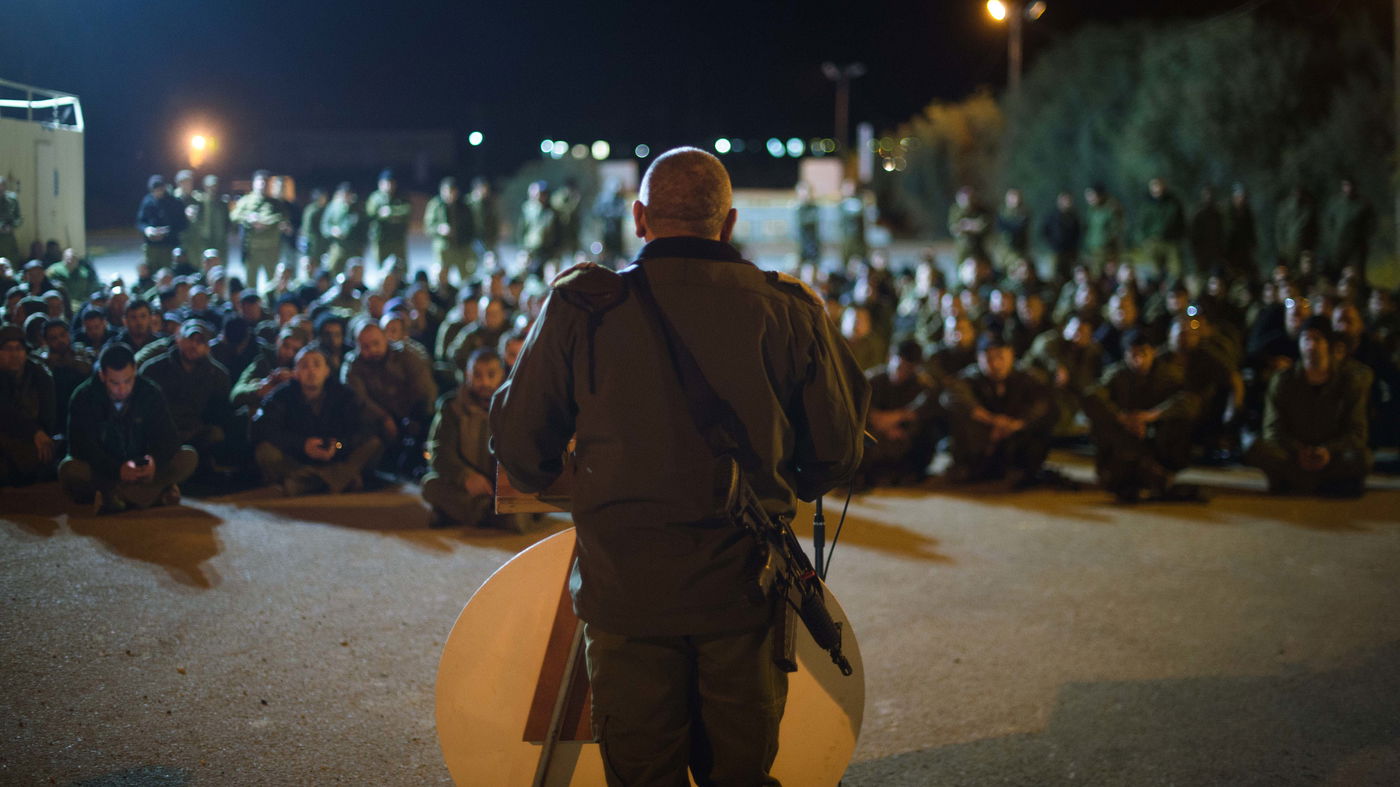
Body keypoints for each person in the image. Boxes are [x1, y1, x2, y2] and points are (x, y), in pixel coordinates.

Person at [490, 147, 869, 786]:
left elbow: (522, 450)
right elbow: (836, 454)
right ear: (728, 223)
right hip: (744, 594)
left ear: (639, 217)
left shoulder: (583, 307)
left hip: (627, 597)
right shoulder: (788, 308)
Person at [61, 343, 197, 513]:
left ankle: (115, 497)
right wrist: (118, 470)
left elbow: (169, 438)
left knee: (187, 457)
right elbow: (80, 447)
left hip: (141, 466)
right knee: (70, 469)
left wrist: (154, 461)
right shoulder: (83, 396)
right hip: (106, 468)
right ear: (102, 375)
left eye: (128, 381)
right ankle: (152, 495)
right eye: (114, 383)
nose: (122, 389)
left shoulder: (150, 392)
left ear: (134, 371)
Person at [1247, 316, 1371, 496]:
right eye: (1306, 339)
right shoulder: (1283, 380)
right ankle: (1320, 484)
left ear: (1328, 344)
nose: (1311, 346)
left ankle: (1300, 482)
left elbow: (1357, 432)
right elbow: (1272, 429)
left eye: (1317, 339)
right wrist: (1299, 450)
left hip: (1332, 454)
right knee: (1257, 449)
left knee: (1361, 458)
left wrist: (1328, 450)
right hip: (1294, 453)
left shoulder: (1348, 381)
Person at [1083, 329, 1202, 503]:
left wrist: (1152, 416)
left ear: (1153, 352)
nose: (1138, 360)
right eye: (1133, 355)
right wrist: (1122, 418)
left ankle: (1161, 471)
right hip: (1125, 437)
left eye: (1143, 354)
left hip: (1155, 436)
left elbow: (1189, 401)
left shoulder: (1169, 374)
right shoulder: (1117, 374)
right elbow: (1093, 396)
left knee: (1180, 422)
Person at [251, 345, 382, 495]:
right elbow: (263, 428)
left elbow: (364, 428)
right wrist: (302, 445)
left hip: (336, 456)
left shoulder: (344, 394)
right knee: (265, 451)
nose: (311, 371)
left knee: (373, 443)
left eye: (317, 365)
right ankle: (337, 480)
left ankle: (305, 483)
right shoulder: (280, 396)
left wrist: (338, 445)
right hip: (298, 459)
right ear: (296, 372)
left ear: (327, 371)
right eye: (304, 366)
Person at [421, 348, 528, 529]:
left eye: (491, 375)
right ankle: (489, 513)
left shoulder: (516, 405)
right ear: (467, 375)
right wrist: (465, 476)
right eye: (477, 375)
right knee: (430, 485)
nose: (484, 382)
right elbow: (439, 452)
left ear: (502, 375)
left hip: (507, 483)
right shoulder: (452, 408)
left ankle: (461, 513)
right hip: (470, 486)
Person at [941, 334, 1057, 486]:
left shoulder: (1028, 377)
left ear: (1011, 355)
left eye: (1001, 357)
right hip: (985, 438)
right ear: (979, 358)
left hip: (1016, 434)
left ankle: (1023, 470)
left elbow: (1043, 403)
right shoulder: (969, 377)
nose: (995, 364)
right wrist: (991, 420)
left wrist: (1016, 424)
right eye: (989, 359)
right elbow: (952, 397)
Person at [342, 318, 437, 477]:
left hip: (412, 414)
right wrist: (384, 418)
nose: (372, 350)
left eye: (376, 343)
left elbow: (425, 389)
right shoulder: (353, 365)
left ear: (385, 338)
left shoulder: (407, 356)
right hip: (377, 421)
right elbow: (358, 398)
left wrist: (414, 417)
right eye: (365, 347)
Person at [139, 319, 233, 474]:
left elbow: (220, 414)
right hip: (161, 432)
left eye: (200, 341)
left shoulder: (218, 375)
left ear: (207, 347)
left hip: (196, 433)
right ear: (178, 339)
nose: (194, 345)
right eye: (190, 339)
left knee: (215, 435)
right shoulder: (153, 369)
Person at [859, 339, 943, 487]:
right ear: (890, 358)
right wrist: (893, 421)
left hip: (903, 436)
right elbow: (865, 414)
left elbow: (921, 412)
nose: (901, 374)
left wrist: (899, 422)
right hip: (875, 435)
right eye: (899, 367)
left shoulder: (921, 385)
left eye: (907, 370)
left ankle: (910, 473)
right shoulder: (872, 380)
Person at [0, 324, 58, 486]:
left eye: (19, 349)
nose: (14, 354)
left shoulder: (40, 376)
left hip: (32, 439)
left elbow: (48, 416)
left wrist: (40, 433)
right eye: (8, 349)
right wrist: (33, 431)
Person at [230, 170, 290, 290]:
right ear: (254, 183)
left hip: (271, 249)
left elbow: (283, 218)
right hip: (252, 249)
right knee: (250, 283)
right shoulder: (246, 201)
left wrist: (266, 222)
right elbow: (234, 216)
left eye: (265, 182)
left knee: (272, 283)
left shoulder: (275, 203)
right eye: (260, 181)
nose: (263, 184)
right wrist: (249, 218)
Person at [425, 177, 474, 280]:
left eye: (452, 191)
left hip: (461, 248)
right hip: (443, 249)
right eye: (446, 191)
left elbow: (470, 227)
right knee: (442, 277)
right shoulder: (436, 205)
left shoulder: (464, 206)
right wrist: (439, 229)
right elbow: (428, 227)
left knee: (466, 277)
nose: (449, 194)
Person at [137, 175, 189, 271]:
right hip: (152, 246)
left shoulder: (175, 202)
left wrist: (167, 231)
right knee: (152, 271)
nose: (158, 193)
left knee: (169, 272)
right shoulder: (147, 201)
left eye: (160, 190)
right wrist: (147, 230)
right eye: (155, 190)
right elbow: (140, 221)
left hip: (169, 246)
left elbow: (183, 224)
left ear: (164, 188)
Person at [365, 169, 411, 273]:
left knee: (401, 267)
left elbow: (406, 210)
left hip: (397, 238)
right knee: (381, 268)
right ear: (380, 184)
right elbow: (370, 213)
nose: (389, 186)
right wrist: (384, 214)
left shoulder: (401, 197)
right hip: (381, 238)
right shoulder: (375, 198)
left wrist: (390, 212)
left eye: (391, 183)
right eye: (386, 183)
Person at [298, 188, 331, 267]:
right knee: (313, 263)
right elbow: (311, 228)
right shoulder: (316, 210)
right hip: (314, 242)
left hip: (310, 240)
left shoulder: (310, 208)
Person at [794, 181, 821, 265]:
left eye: (805, 193)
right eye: (801, 193)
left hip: (811, 250)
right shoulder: (796, 209)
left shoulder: (814, 209)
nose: (803, 196)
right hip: (798, 248)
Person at [0, 175, 21, 263]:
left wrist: (11, 226)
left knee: (11, 262)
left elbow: (18, 218)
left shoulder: (12, 199)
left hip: (8, 238)